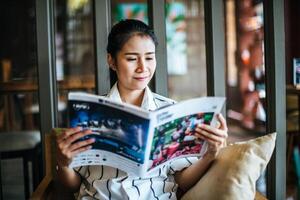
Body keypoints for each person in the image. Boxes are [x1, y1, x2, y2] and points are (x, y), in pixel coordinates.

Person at [56, 19, 228, 200]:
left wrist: (210, 154)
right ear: (111, 61)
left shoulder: (170, 111)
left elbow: (182, 180)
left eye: (149, 57)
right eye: (131, 58)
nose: (143, 68)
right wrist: (63, 163)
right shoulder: (89, 113)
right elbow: (73, 184)